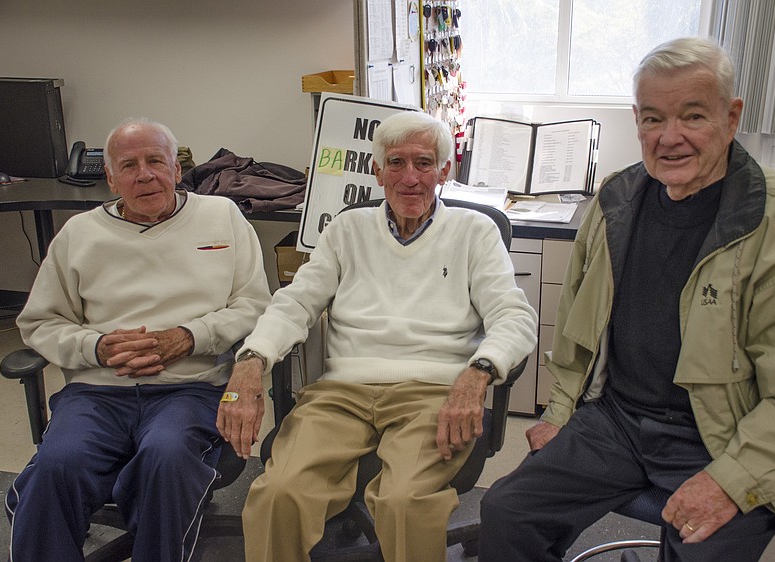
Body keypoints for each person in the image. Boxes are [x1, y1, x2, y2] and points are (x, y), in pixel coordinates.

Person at [478, 37, 775, 562]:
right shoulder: (616, 199)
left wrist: (733, 479)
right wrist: (559, 411)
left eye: (693, 116)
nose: (670, 137)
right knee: (506, 513)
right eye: (653, 118)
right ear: (637, 121)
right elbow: (578, 325)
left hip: (724, 433)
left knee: (702, 549)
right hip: (617, 420)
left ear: (731, 117)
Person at [216, 110, 538, 562]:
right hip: (342, 393)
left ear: (444, 171)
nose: (410, 177)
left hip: (433, 393)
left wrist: (478, 372)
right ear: (377, 171)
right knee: (277, 494)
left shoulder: (474, 232)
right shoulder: (347, 229)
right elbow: (295, 303)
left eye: (424, 163)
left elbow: (513, 316)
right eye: (396, 163)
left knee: (405, 503)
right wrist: (251, 361)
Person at [5, 118, 271, 562]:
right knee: (57, 465)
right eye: (129, 166)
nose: (144, 175)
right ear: (110, 179)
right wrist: (96, 347)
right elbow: (40, 323)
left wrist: (189, 337)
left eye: (155, 161)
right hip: (98, 391)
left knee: (166, 457)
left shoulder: (221, 216)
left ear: (176, 169)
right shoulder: (79, 234)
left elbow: (255, 306)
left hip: (190, 389)